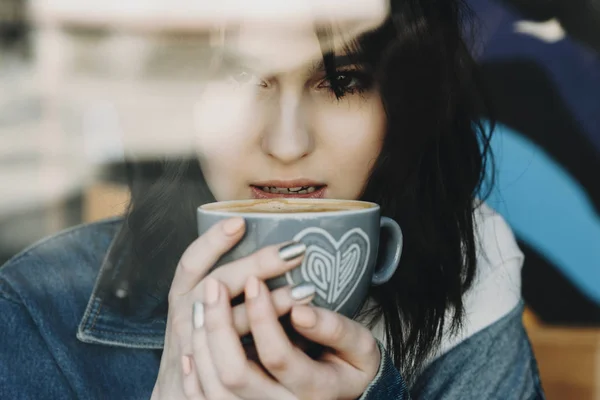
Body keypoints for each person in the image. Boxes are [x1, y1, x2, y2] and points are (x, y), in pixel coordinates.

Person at [0, 0, 546, 399]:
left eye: (343, 82)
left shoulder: (466, 272)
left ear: (404, 104)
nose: (287, 145)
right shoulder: (34, 310)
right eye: (238, 75)